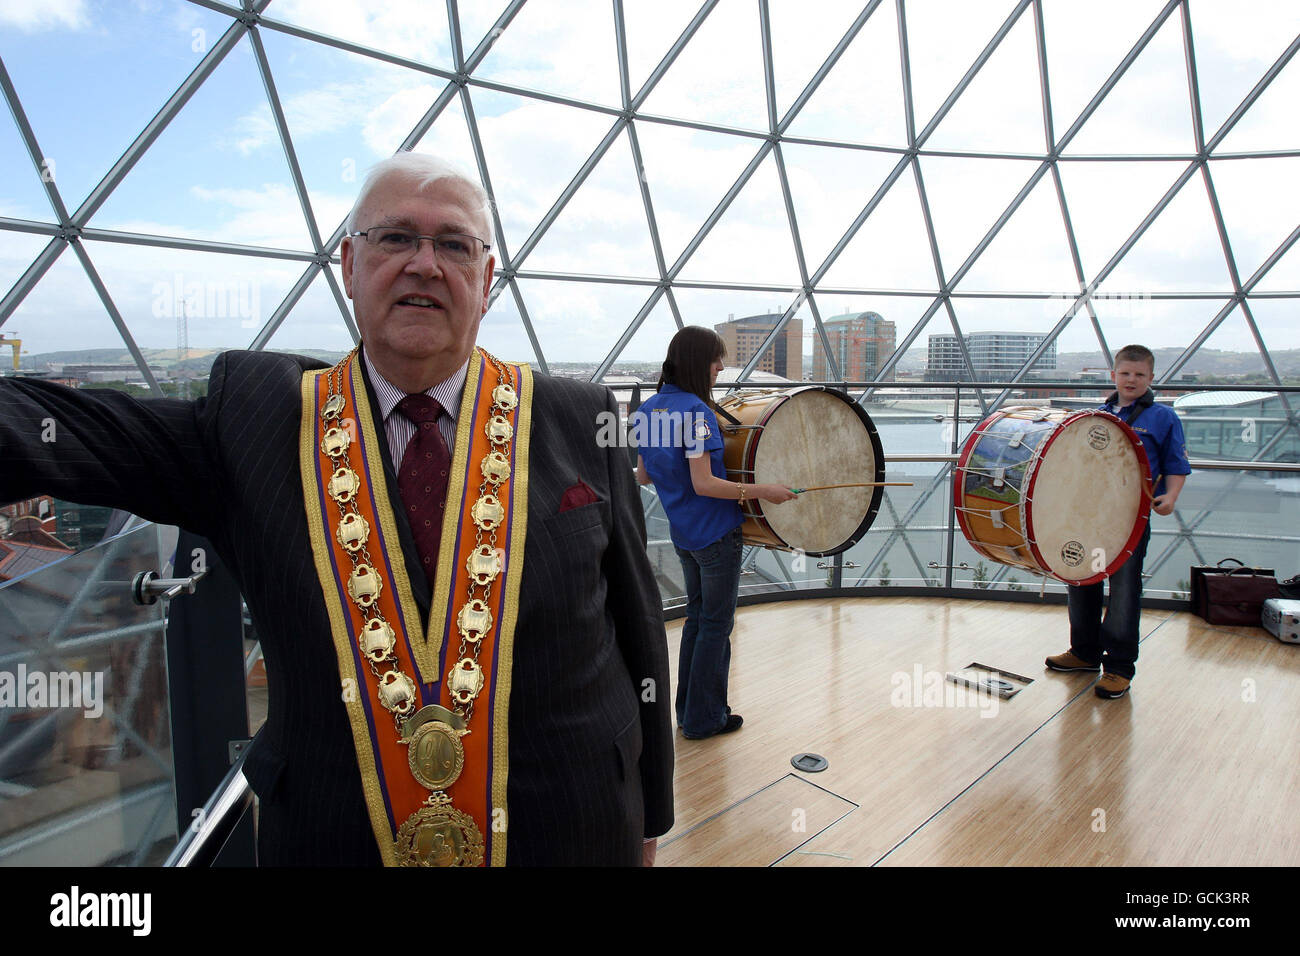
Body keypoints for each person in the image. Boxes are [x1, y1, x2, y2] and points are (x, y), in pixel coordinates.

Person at [0, 152, 673, 866]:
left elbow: (637, 633)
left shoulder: (578, 417)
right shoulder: (254, 422)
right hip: (336, 840)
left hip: (571, 833)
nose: (423, 264)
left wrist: (649, 818)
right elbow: (74, 432)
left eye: (453, 244)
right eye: (395, 238)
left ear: (488, 279)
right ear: (348, 266)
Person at [632, 326, 795, 739]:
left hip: (684, 535)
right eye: (715, 359)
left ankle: (690, 712)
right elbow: (705, 483)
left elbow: (644, 475)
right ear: (695, 362)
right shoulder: (697, 413)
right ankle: (706, 718)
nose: (721, 367)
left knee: (696, 621)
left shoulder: (650, 410)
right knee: (716, 625)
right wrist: (766, 492)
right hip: (716, 534)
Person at [1046, 344, 1191, 699]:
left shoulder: (1163, 418)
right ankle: (1083, 652)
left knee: (1124, 591)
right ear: (1113, 375)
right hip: (1087, 516)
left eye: (1140, 374)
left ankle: (1119, 668)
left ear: (1151, 378)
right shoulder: (1097, 415)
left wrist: (1170, 497)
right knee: (1081, 579)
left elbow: (1175, 466)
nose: (1131, 379)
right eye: (1125, 373)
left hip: (1130, 520)